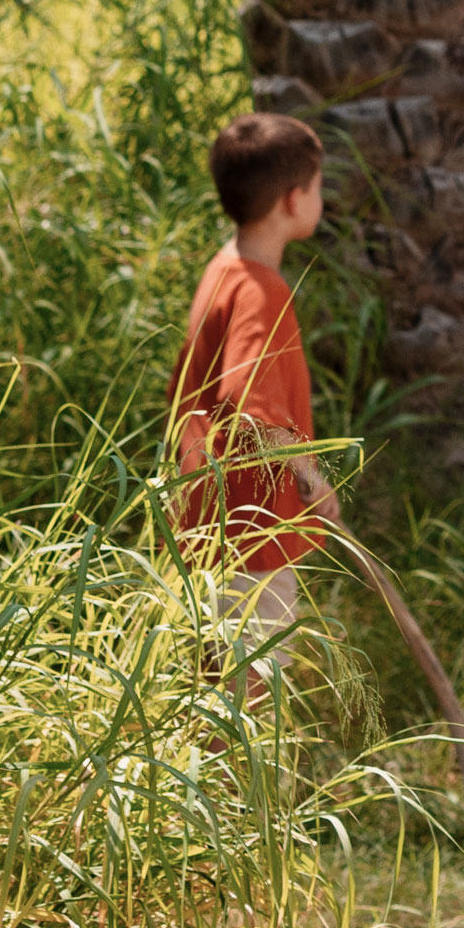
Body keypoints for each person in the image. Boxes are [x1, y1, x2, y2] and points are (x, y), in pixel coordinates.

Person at [170, 110, 339, 669]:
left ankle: (207, 757)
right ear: (294, 200)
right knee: (251, 681)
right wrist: (314, 480)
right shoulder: (262, 293)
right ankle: (242, 761)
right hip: (252, 522)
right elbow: (250, 408)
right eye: (317, 186)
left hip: (210, 514)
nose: (321, 198)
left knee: (214, 668)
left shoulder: (225, 268)